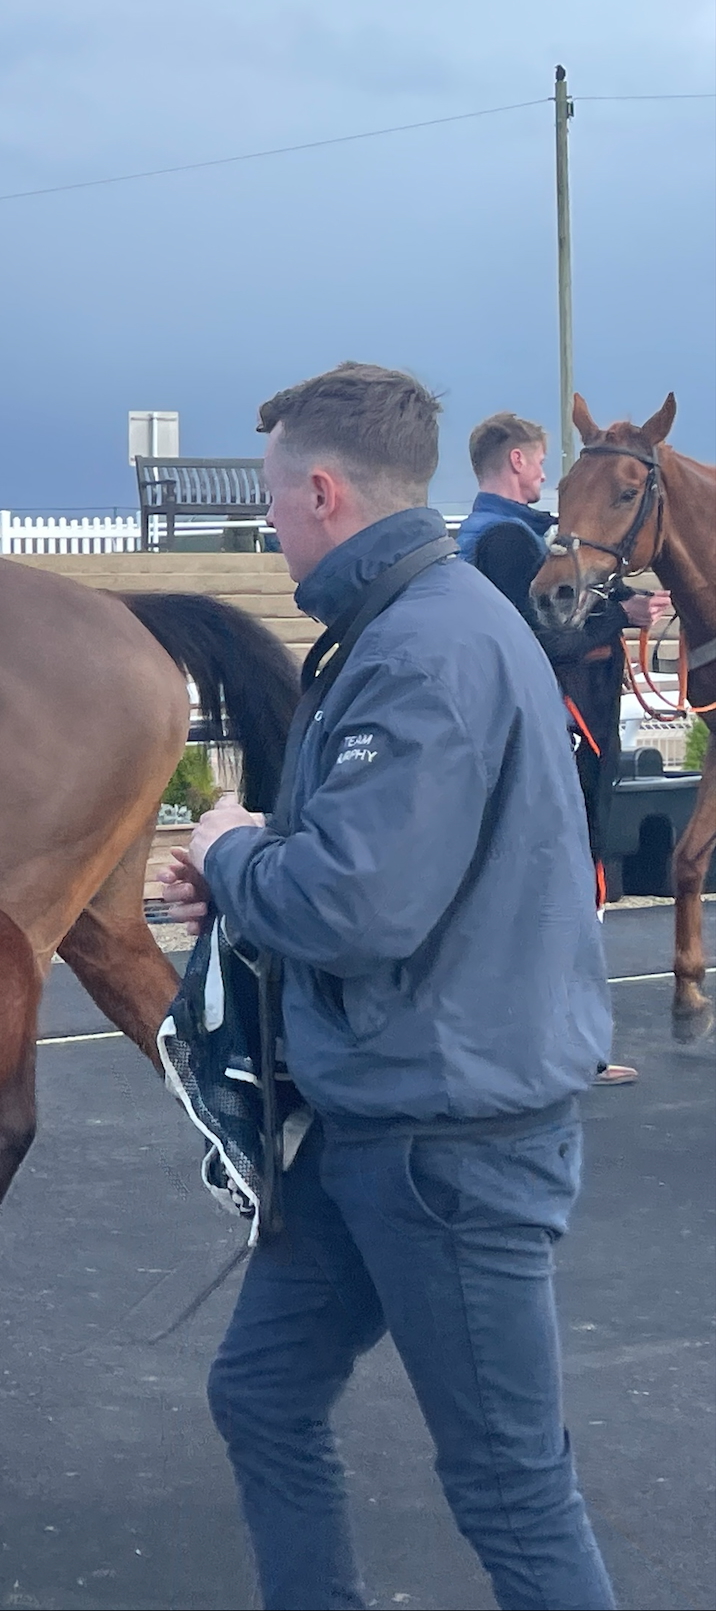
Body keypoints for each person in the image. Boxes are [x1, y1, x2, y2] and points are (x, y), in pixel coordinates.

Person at [161, 364, 615, 1611]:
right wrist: (252, 877)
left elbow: (357, 906)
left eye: (270, 500)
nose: (269, 526)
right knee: (258, 1392)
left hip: (446, 1140)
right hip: (388, 1113)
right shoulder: (423, 619)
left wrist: (231, 852)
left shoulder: (417, 648)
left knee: (512, 1491)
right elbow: (376, 870)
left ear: (319, 489)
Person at [462, 410, 661, 1085]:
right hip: (561, 723)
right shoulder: (509, 544)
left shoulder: (496, 534)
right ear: (517, 462)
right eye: (541, 462)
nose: (545, 474)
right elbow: (545, 634)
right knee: (568, 886)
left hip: (537, 726)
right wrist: (622, 614)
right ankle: (571, 1045)